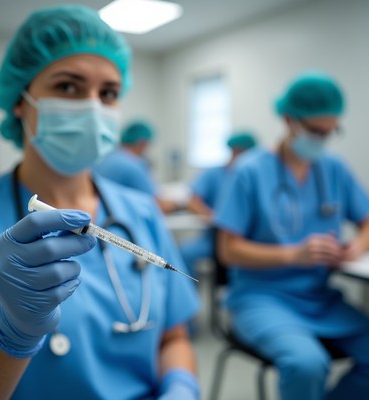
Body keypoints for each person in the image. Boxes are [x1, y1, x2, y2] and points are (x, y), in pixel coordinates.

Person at [0, 5, 201, 400]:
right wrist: (13, 328)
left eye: (108, 93)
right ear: (20, 101)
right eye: (68, 87)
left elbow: (172, 338)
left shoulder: (140, 211)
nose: (92, 107)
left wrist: (181, 386)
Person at [215, 71, 369, 400]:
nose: (323, 140)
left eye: (330, 131)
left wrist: (357, 244)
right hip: (260, 298)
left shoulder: (335, 168)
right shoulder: (250, 171)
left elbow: (367, 220)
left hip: (321, 298)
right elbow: (227, 250)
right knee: (307, 363)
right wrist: (292, 255)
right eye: (315, 131)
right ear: (289, 120)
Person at [179, 131, 257, 277]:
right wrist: (216, 218)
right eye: (237, 152)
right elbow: (192, 201)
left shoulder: (254, 177)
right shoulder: (214, 174)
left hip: (249, 241)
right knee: (184, 254)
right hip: (212, 239)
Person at [94, 120, 179, 213]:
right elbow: (157, 205)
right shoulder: (133, 164)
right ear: (142, 143)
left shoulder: (105, 157)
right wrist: (179, 204)